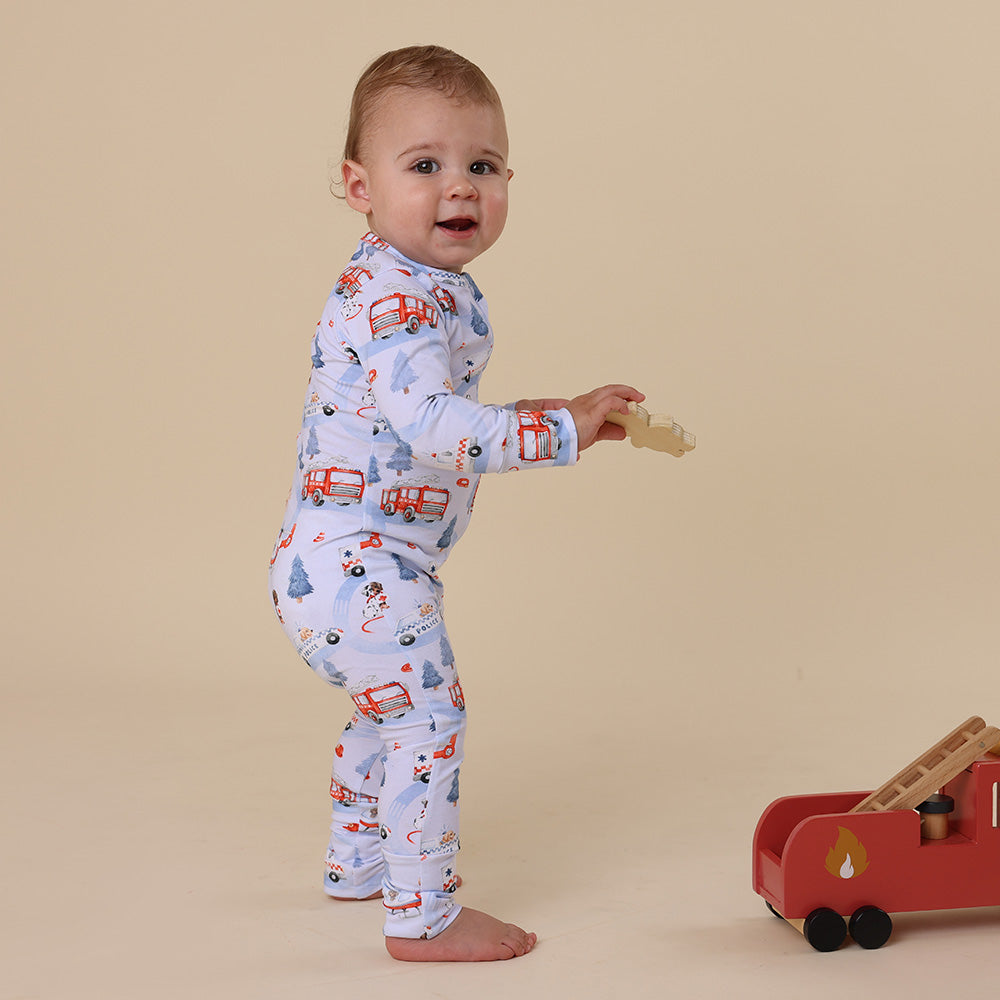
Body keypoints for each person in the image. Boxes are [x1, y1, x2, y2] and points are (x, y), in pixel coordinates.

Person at [268, 44, 644, 962]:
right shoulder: (399, 302)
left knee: (384, 711)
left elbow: (435, 415)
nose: (459, 187)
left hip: (338, 563)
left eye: (483, 164)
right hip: (357, 565)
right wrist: (558, 434)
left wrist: (561, 409)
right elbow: (436, 427)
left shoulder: (414, 284)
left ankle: (358, 862)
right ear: (360, 186)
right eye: (425, 165)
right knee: (428, 717)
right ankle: (421, 912)